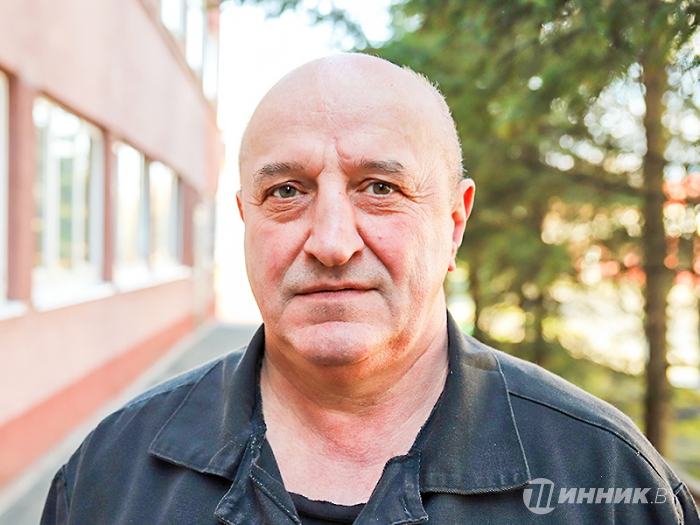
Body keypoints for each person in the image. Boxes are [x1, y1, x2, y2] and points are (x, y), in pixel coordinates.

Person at [41, 53, 699, 524]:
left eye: (379, 188)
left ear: (454, 223)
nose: (331, 242)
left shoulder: (608, 480)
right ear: (246, 220)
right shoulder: (109, 477)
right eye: (286, 191)